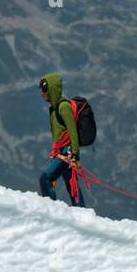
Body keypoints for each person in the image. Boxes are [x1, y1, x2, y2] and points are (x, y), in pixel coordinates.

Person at [38, 73, 84, 206]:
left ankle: (51, 209)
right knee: (72, 185)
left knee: (45, 178)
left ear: (52, 89)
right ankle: (82, 213)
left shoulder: (63, 107)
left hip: (67, 152)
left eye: (45, 89)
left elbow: (73, 131)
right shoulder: (54, 108)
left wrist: (75, 154)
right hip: (63, 152)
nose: (42, 93)